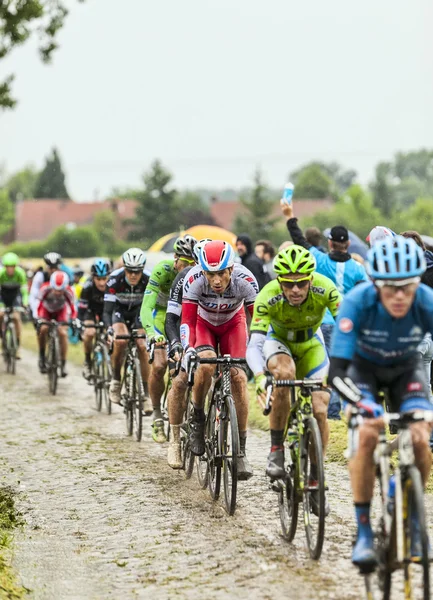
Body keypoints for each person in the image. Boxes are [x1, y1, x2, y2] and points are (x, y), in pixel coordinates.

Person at [329, 236, 433, 568]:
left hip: (406, 371)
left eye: (408, 286)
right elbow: (336, 373)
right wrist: (361, 404)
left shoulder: (426, 300)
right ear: (375, 283)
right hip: (363, 372)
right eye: (391, 288)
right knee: (367, 433)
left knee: (420, 435)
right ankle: (362, 532)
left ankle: (414, 522)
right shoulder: (357, 302)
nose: (401, 295)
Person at [246, 245, 341, 512]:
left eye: (301, 284)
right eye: (289, 284)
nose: (296, 290)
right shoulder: (268, 296)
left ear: (311, 279)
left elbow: (348, 325)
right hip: (280, 345)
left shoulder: (326, 288)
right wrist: (261, 376)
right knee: (284, 376)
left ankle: (316, 479)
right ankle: (276, 448)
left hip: (311, 345)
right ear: (280, 281)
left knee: (321, 407)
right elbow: (254, 344)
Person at [180, 240, 259, 480]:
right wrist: (187, 349)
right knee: (206, 362)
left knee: (239, 378)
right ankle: (197, 417)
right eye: (210, 274)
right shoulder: (193, 280)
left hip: (233, 325)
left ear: (231, 270)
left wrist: (257, 354)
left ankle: (241, 450)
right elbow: (187, 321)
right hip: (203, 325)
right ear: (202, 271)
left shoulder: (247, 281)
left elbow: (259, 323)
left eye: (221, 274)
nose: (216, 281)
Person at [282, 201, 367, 419]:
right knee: (344, 365)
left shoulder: (319, 260)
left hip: (321, 320)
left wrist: (290, 216)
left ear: (330, 243)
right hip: (347, 322)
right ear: (348, 243)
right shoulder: (358, 268)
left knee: (326, 365)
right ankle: (345, 408)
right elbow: (365, 294)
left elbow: (299, 240)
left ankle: (331, 411)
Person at [140, 236, 197, 443]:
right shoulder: (163, 270)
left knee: (182, 372)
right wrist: (151, 332)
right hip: (161, 317)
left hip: (182, 318)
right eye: (185, 263)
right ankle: (156, 415)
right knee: (160, 364)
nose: (189, 267)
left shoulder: (197, 275)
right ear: (175, 258)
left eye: (193, 263)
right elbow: (147, 305)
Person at [165, 238, 210, 468]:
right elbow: (172, 318)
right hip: (188, 330)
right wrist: (175, 344)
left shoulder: (228, 279)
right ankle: (174, 442)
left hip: (215, 332)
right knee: (181, 380)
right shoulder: (184, 278)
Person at [103, 248, 150, 411]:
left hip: (139, 313)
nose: (133, 275)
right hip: (119, 312)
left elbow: (152, 308)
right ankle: (116, 380)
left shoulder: (148, 279)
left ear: (142, 269)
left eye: (137, 272)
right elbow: (107, 311)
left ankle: (146, 394)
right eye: (129, 271)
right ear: (124, 268)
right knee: (121, 339)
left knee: (143, 346)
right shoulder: (114, 279)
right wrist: (109, 329)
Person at [36, 271, 77, 376]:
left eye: (61, 291)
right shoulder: (45, 288)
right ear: (51, 285)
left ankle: (63, 364)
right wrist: (39, 319)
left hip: (60, 312)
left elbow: (72, 308)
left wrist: (72, 319)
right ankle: (42, 356)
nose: (58, 293)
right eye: (56, 290)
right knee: (43, 329)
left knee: (63, 333)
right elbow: (39, 305)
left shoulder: (69, 291)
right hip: (46, 311)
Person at [77, 258, 111, 380]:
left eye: (104, 279)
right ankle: (87, 361)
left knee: (110, 335)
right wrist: (80, 324)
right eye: (98, 279)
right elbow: (82, 310)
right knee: (89, 333)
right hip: (90, 311)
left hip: (106, 311)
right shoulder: (87, 287)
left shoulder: (113, 285)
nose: (102, 283)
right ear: (93, 278)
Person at [0, 252, 29, 359]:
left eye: (12, 267)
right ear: (5, 266)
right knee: (1, 314)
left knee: (16, 318)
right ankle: (2, 339)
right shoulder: (1, 273)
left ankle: (17, 345)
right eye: (8, 267)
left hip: (15, 296)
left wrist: (25, 303)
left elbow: (25, 291)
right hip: (3, 296)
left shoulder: (20, 273)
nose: (10, 269)